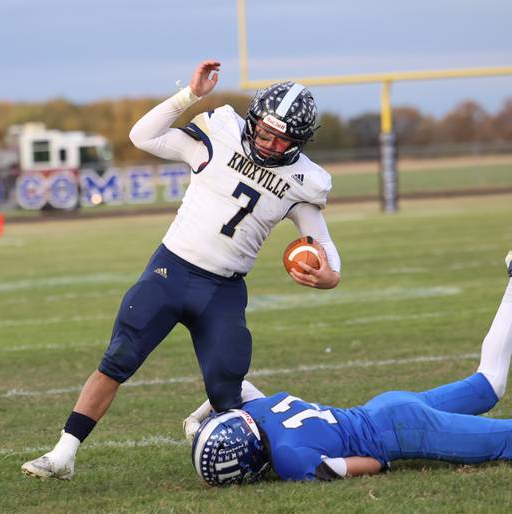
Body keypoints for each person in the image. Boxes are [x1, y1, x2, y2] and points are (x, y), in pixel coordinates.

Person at [22, 60, 342, 480]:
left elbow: (325, 247)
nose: (269, 144)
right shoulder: (218, 136)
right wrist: (189, 96)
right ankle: (64, 453)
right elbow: (142, 136)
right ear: (252, 121)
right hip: (170, 272)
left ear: (299, 142)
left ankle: (242, 434)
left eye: (282, 140)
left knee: (227, 387)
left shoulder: (303, 181)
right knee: (119, 359)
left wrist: (330, 276)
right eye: (265, 132)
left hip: (223, 291)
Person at [184, 249, 512, 485]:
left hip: (398, 430)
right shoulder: (261, 409)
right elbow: (238, 385)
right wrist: (198, 419)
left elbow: (369, 465)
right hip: (382, 407)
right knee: (488, 384)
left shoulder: (292, 461)